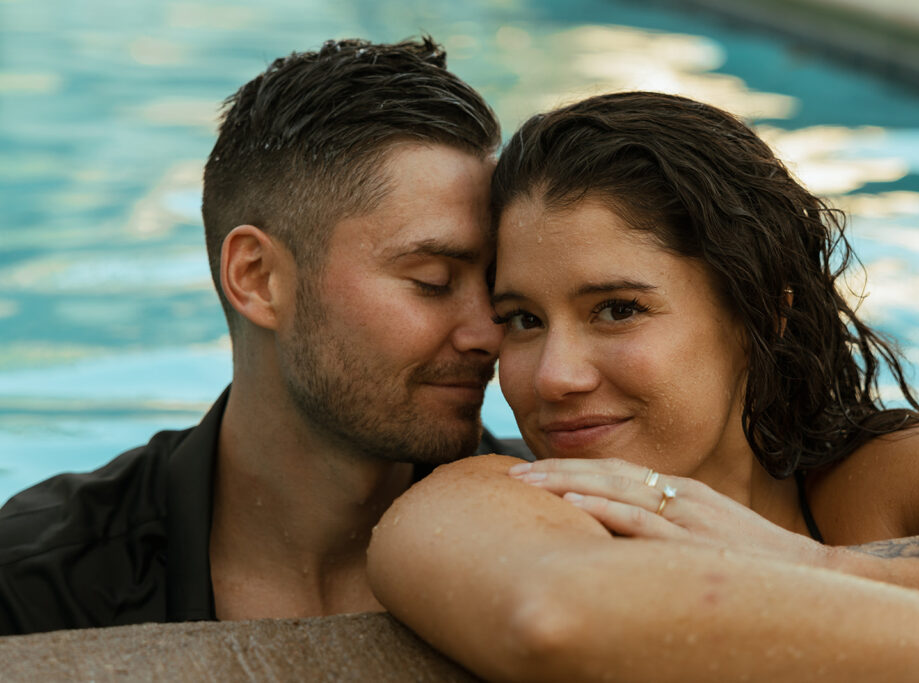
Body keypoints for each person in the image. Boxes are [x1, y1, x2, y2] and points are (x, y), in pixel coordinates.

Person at [367, 91, 919, 681]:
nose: (554, 377)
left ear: (762, 313)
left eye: (618, 308)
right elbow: (557, 617)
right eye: (523, 320)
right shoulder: (490, 499)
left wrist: (824, 567)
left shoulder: (912, 474)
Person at [0, 37, 527, 635]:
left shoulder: (573, 537)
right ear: (257, 278)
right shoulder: (42, 585)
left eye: (494, 283)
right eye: (433, 280)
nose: (489, 332)